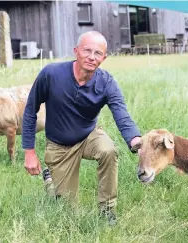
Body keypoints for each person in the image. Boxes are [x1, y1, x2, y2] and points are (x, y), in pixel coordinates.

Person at [22, 31, 141, 225]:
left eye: (97, 53)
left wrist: (135, 139)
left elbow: (122, 114)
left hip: (88, 135)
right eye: (87, 50)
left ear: (104, 58)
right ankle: (50, 181)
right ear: (76, 51)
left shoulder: (107, 83)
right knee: (68, 213)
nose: (92, 57)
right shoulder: (51, 74)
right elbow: (29, 111)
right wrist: (29, 152)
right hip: (60, 146)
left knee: (108, 150)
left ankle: (107, 211)